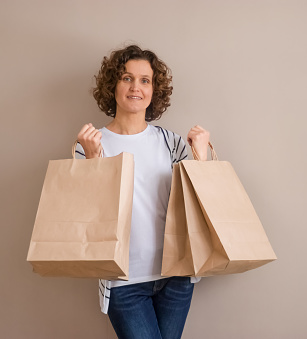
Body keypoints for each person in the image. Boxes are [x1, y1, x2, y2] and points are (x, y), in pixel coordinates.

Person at [75, 44, 210, 339]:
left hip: (176, 276)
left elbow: (201, 202)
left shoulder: (170, 142)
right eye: (126, 78)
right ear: (113, 85)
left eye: (145, 80)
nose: (135, 87)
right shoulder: (91, 144)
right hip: (123, 282)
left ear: (154, 90)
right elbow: (84, 216)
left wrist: (201, 156)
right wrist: (93, 159)